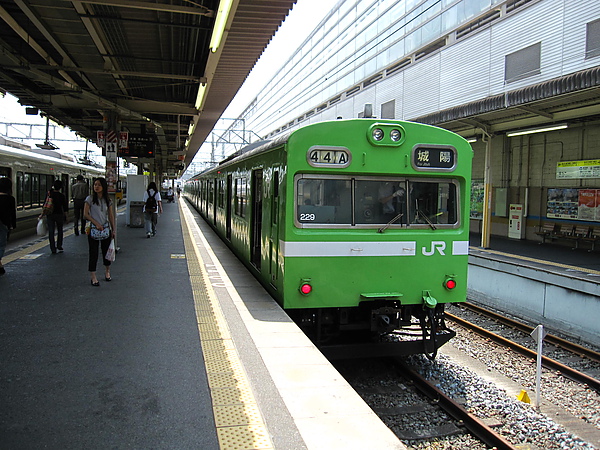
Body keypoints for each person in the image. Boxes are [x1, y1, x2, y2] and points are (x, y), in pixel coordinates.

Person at [84, 177, 116, 286]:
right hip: (93, 230)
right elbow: (85, 214)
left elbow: (111, 216)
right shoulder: (90, 199)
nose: (96, 187)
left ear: (103, 187)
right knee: (93, 253)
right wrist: (96, 223)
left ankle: (107, 271)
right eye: (95, 185)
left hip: (106, 229)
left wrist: (114, 230)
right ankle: (93, 277)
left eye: (99, 185)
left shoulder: (108, 200)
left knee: (106, 252)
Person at [40, 179, 68, 254]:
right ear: (60, 187)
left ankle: (52, 248)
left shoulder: (49, 194)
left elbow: (45, 205)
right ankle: (59, 245)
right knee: (60, 230)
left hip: (50, 215)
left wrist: (42, 214)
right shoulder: (62, 196)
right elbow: (65, 207)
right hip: (59, 214)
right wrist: (66, 216)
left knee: (51, 231)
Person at [0, 177, 17, 276]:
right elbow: (12, 213)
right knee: (1, 244)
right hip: (4, 224)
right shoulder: (10, 199)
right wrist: (13, 225)